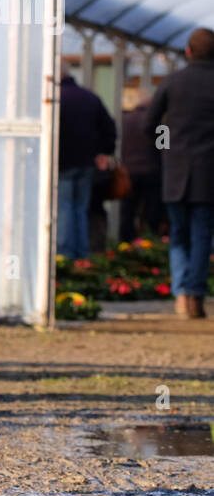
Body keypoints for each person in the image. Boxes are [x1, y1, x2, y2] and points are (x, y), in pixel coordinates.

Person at [144, 27, 214, 319]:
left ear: (188, 51)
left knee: (178, 235)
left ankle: (181, 294)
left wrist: (167, 145)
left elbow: (151, 125)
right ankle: (195, 294)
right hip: (209, 173)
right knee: (202, 235)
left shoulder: (172, 82)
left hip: (175, 171)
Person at [57, 67, 116, 260]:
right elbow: (109, 128)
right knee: (81, 209)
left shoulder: (56, 99)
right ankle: (82, 253)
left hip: (62, 162)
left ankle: (65, 254)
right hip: (86, 163)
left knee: (64, 207)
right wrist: (104, 151)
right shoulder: (90, 98)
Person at [119, 85, 163, 242]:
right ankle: (152, 241)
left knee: (128, 211)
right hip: (153, 171)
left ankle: (125, 244)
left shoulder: (125, 120)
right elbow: (164, 149)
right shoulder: (161, 123)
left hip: (130, 171)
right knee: (152, 211)